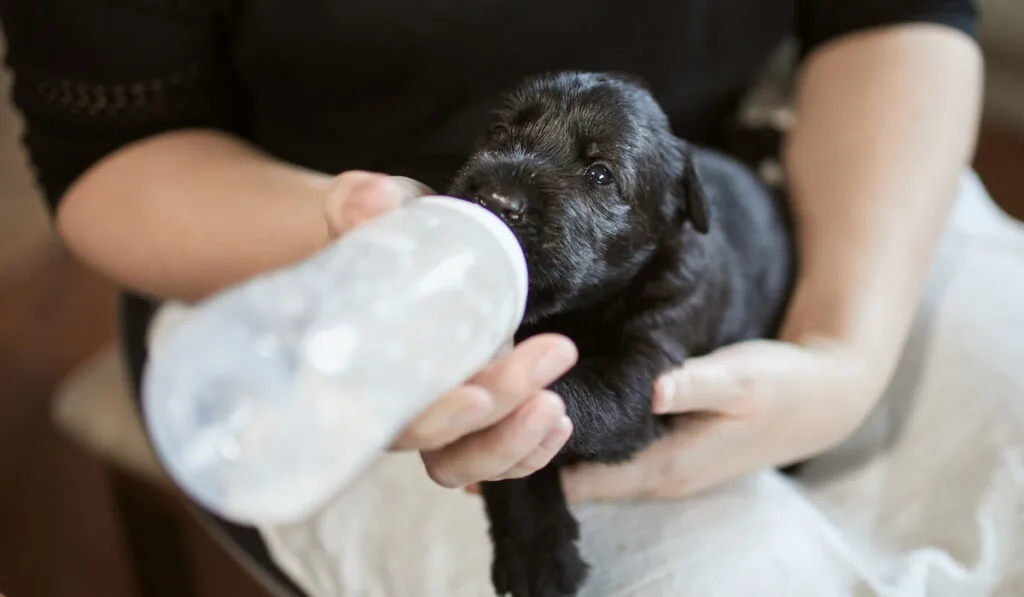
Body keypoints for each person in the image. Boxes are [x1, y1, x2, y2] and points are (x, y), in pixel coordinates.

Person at [0, 0, 983, 594]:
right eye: (510, 130)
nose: (512, 176)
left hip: (835, 168)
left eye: (587, 175)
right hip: (283, 241)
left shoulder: (685, 238)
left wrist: (846, 346)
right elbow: (107, 151)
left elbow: (896, 11)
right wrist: (375, 255)